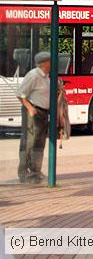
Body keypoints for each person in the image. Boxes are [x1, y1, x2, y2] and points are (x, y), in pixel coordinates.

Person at [17, 52, 51, 183]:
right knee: (29, 142)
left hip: (43, 113)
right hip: (33, 111)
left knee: (39, 143)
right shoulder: (33, 75)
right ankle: (23, 172)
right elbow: (20, 94)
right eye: (50, 61)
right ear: (44, 63)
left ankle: (35, 170)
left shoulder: (47, 77)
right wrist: (30, 108)